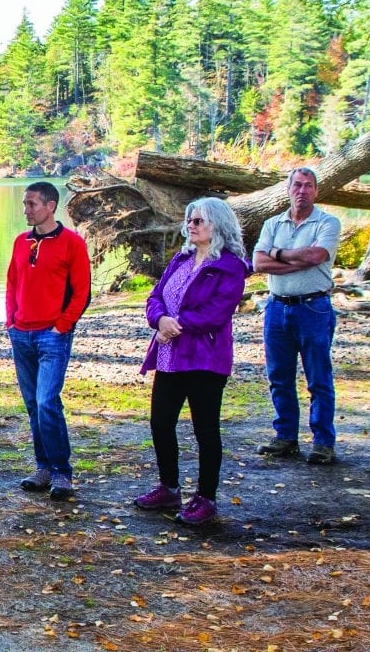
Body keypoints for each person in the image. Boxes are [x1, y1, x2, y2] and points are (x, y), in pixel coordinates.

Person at [133, 197, 248, 527]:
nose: (191, 226)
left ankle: (206, 498)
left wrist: (175, 323)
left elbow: (216, 313)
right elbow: (155, 296)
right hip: (169, 355)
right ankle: (169, 487)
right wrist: (158, 321)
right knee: (161, 423)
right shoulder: (181, 259)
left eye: (198, 221)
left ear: (218, 225)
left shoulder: (229, 266)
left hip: (204, 359)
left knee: (206, 430)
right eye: (189, 220)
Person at [4, 181, 91, 500]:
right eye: (25, 204)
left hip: (52, 336)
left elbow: (82, 291)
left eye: (32, 204)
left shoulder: (72, 243)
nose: (26, 210)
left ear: (50, 206)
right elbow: (12, 282)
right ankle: (42, 468)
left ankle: (61, 472)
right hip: (21, 334)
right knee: (32, 405)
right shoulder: (20, 242)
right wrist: (10, 320)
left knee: (47, 402)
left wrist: (62, 326)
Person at [252, 167, 343, 464]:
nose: (302, 190)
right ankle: (286, 436)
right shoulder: (272, 223)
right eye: (297, 185)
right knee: (279, 376)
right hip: (276, 306)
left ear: (316, 191)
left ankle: (322, 442)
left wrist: (276, 254)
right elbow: (258, 262)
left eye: (308, 186)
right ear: (288, 189)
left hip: (313, 307)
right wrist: (293, 259)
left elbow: (316, 257)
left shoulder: (327, 222)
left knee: (318, 378)